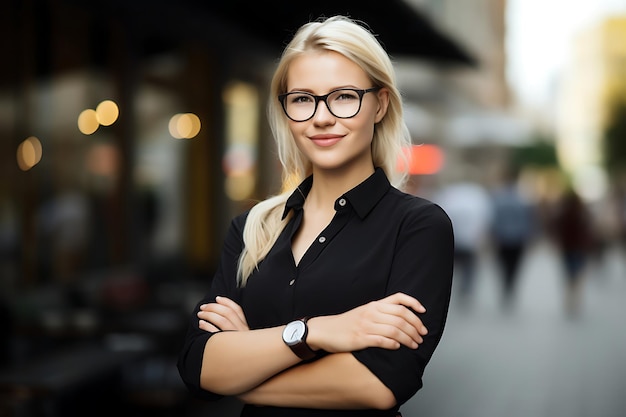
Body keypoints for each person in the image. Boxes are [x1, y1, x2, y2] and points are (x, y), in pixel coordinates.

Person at [177, 16, 454, 416]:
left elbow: (381, 383)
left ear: (380, 104)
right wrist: (319, 331)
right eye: (303, 99)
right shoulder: (253, 227)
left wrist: (246, 374)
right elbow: (197, 365)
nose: (321, 117)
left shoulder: (418, 227)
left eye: (343, 96)